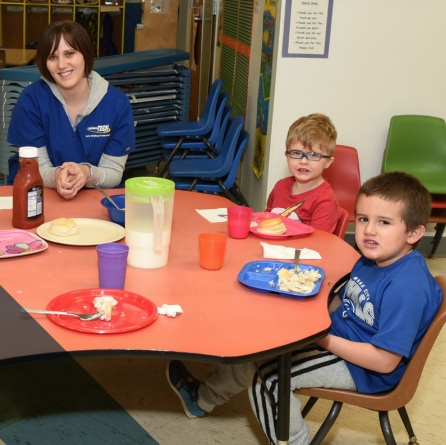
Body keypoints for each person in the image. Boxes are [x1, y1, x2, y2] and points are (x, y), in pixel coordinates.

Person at [167, 172, 442, 444]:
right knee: (260, 343)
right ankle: (202, 399)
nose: (369, 230)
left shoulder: (407, 286)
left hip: (365, 368)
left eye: (384, 222)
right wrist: (305, 309)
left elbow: (384, 360)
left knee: (271, 379)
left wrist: (322, 338)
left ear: (414, 233)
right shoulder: (373, 258)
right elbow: (341, 302)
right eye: (363, 219)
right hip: (343, 341)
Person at [7, 21, 135, 200]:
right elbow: (37, 167)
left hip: (97, 197)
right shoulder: (31, 101)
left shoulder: (117, 105)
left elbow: (113, 172)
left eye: (69, 53)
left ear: (86, 54)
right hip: (38, 195)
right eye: (52, 57)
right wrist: (58, 176)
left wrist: (87, 173)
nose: (61, 64)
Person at [265, 113, 341, 233]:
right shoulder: (280, 186)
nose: (303, 161)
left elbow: (318, 242)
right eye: (296, 153)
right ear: (287, 156)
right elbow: (266, 220)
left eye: (313, 155)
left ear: (327, 162)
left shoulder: (325, 200)